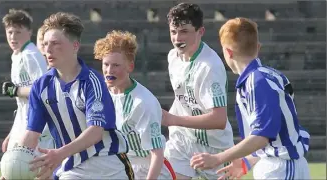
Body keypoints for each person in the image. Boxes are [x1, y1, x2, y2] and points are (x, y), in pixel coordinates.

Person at [190, 17, 311, 180]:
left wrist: (218, 158)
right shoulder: (266, 77)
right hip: (277, 165)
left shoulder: (257, 82)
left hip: (281, 169)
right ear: (258, 47)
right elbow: (276, 133)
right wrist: (247, 160)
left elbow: (263, 135)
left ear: (228, 52)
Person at [18, 12, 134, 180]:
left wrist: (59, 154)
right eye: (45, 44)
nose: (48, 50)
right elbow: (31, 134)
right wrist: (14, 165)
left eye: (55, 43)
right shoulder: (41, 87)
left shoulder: (92, 82)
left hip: (108, 164)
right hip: (72, 169)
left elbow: (95, 132)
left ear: (75, 46)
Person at [162, 3, 234, 179]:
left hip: (213, 147)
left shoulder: (210, 67)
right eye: (173, 31)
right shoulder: (173, 57)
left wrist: (172, 119)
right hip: (181, 139)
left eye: (184, 31)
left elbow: (219, 119)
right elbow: (182, 96)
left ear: (200, 31)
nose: (178, 38)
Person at [94, 30, 176, 180]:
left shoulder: (143, 103)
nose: (109, 70)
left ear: (130, 67)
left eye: (116, 65)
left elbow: (157, 154)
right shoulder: (102, 93)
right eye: (106, 64)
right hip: (120, 167)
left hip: (149, 170)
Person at [0, 8, 53, 153]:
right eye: (10, 32)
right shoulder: (17, 56)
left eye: (18, 32)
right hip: (23, 122)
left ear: (29, 32)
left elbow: (43, 90)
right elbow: (22, 104)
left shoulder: (30, 55)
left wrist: (16, 90)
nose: (13, 37)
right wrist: (13, 131)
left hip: (37, 125)